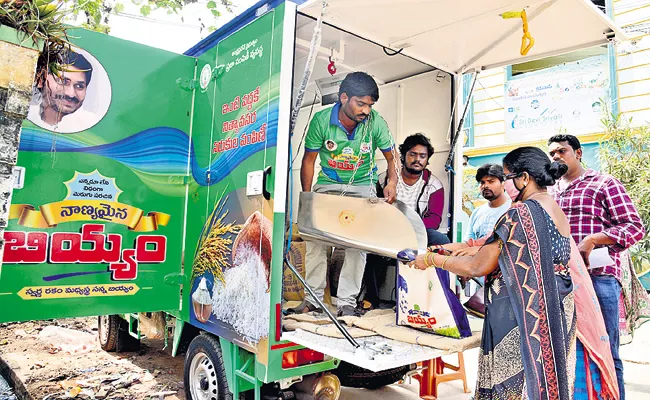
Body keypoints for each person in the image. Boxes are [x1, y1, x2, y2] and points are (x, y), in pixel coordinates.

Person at [412, 146, 576, 399]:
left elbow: (477, 266)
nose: (507, 185)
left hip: (521, 314)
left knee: (511, 384)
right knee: (545, 379)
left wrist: (431, 259)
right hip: (558, 309)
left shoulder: (519, 213)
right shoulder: (555, 209)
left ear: (524, 178)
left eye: (508, 178)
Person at [291, 72, 398, 317]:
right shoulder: (321, 120)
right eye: (360, 103)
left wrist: (392, 181)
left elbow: (393, 157)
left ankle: (347, 302)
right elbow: (309, 160)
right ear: (344, 98)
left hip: (362, 186)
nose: (366, 110)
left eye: (369, 105)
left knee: (356, 244)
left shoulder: (376, 122)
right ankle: (313, 299)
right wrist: (308, 198)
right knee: (315, 239)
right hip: (328, 184)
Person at [548, 134, 645, 400]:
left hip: (599, 279)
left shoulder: (604, 183)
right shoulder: (550, 191)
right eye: (552, 153)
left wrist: (594, 239)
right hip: (562, 282)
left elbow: (635, 227)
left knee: (605, 351)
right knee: (568, 353)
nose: (556, 157)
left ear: (578, 153)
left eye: (562, 151)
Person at [377, 133, 448, 245]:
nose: (417, 159)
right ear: (404, 155)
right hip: (388, 230)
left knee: (441, 240)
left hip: (418, 231)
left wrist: (409, 229)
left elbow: (434, 220)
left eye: (422, 156)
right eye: (413, 154)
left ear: (427, 159)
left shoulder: (435, 186)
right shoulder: (385, 179)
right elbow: (376, 210)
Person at [28, 50, 95, 132]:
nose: (70, 94)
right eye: (63, 82)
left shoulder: (90, 126)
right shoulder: (26, 113)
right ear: (41, 80)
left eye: (79, 86)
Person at [464, 164, 512, 253]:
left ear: (503, 184)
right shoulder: (477, 212)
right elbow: (468, 244)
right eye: (482, 182)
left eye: (491, 181)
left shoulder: (512, 210)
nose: (485, 186)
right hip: (476, 263)